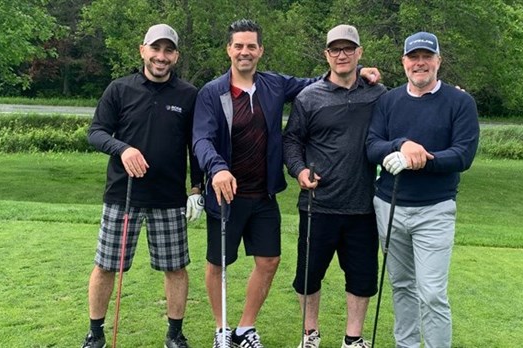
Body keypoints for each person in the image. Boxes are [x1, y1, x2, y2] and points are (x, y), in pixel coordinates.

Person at [192, 19, 381, 348]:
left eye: (251, 46)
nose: (245, 52)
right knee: (218, 263)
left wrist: (361, 70)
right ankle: (221, 330)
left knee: (269, 261)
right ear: (229, 50)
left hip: (264, 194)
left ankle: (244, 329)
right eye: (239, 46)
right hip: (225, 193)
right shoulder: (212, 92)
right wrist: (217, 167)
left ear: (261, 50)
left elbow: (323, 80)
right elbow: (201, 139)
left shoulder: (274, 85)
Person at [81, 24, 204, 348]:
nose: (161, 57)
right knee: (107, 266)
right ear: (143, 50)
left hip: (169, 197)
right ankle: (95, 332)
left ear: (175, 55)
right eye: (155, 49)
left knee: (176, 267)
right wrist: (123, 148)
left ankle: (175, 334)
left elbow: (197, 144)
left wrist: (197, 189)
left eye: (168, 50)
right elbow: (96, 132)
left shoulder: (188, 94)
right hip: (123, 194)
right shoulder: (119, 89)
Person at [366, 31, 479, 348]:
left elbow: (463, 155)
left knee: (431, 292)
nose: (420, 63)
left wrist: (420, 159)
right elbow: (372, 146)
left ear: (438, 61)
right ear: (403, 63)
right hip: (389, 206)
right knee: (401, 285)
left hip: (435, 210)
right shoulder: (388, 101)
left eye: (426, 57)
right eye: (413, 57)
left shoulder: (460, 102)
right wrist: (401, 145)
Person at [283, 24, 387, 348]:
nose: (342, 55)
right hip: (318, 204)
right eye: (335, 49)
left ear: (359, 52)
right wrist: (299, 171)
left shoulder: (377, 94)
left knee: (361, 278)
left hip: (362, 205)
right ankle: (310, 334)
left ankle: (352, 338)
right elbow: (291, 141)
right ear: (326, 54)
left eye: (348, 49)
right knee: (308, 277)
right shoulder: (308, 97)